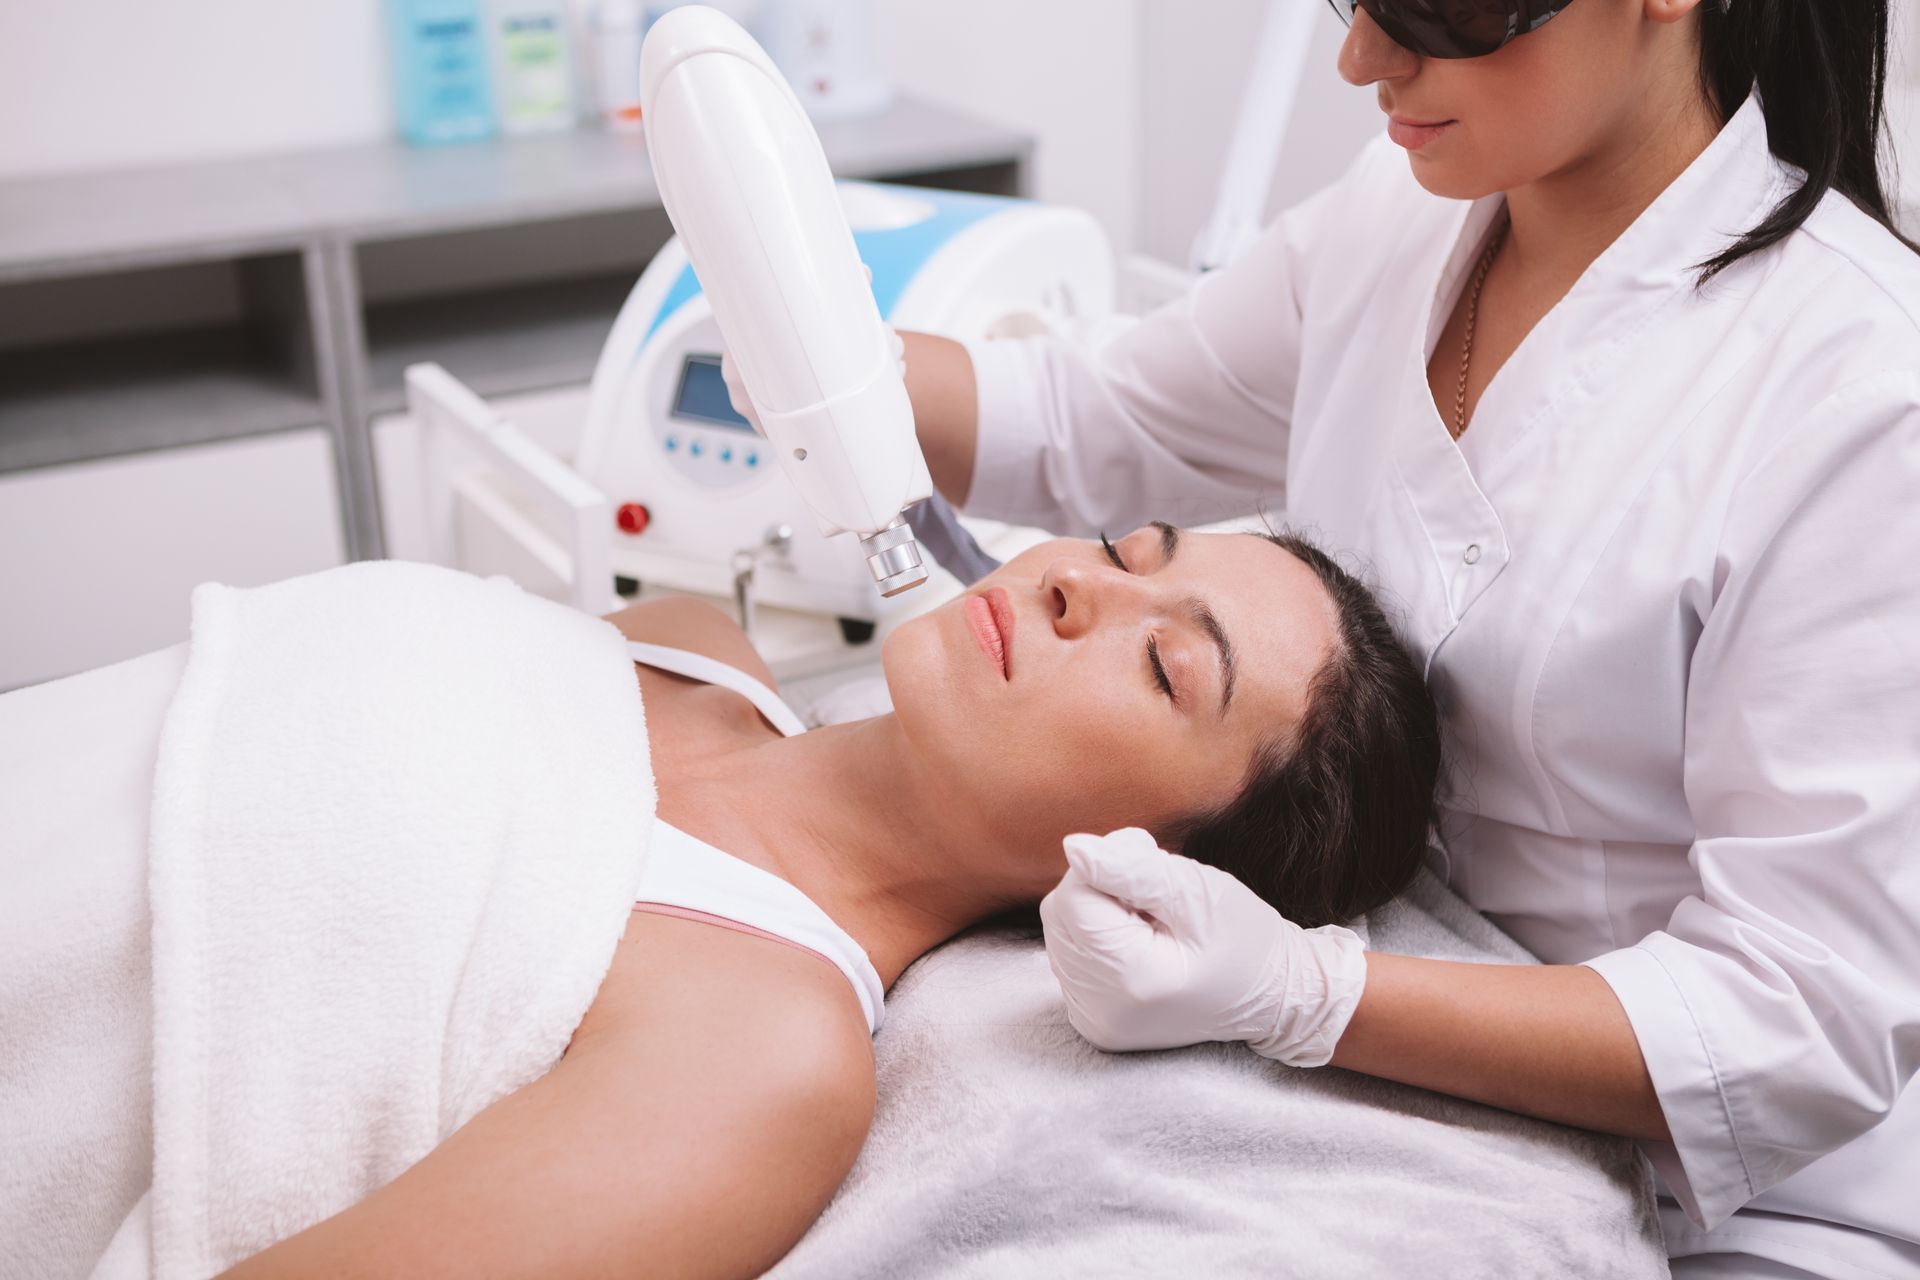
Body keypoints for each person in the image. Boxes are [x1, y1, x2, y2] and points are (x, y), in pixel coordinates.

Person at [878, 1, 1920, 1276]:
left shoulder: (1866, 397)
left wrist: (1305, 993)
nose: (1362, 60)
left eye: (1437, 6)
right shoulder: (1405, 208)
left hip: (1731, 1209)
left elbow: (1795, 1020)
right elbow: (1092, 415)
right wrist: (807, 344)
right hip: (1361, 1104)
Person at [207, 525, 1440, 1277]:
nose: (1077, 585)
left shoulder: (758, 1061)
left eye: (1166, 665)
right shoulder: (685, 642)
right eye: (1125, 550)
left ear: (1157, 867)